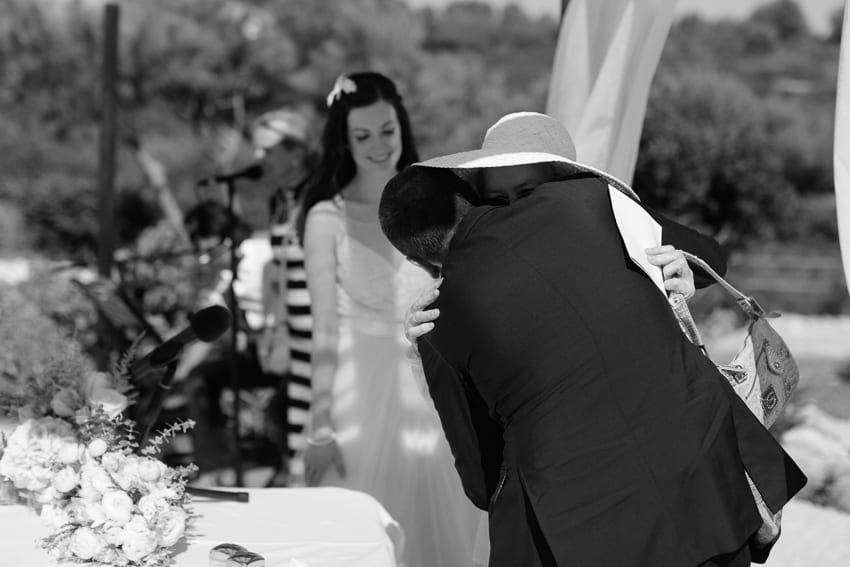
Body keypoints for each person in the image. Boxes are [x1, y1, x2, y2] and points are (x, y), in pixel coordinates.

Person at [378, 112, 806, 567]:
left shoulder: (601, 213)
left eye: (527, 192)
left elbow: (483, 484)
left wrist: (679, 267)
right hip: (706, 490)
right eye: (499, 199)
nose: (517, 208)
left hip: (587, 528)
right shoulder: (595, 204)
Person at [296, 71, 480, 567]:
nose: (378, 146)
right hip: (358, 398)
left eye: (387, 130)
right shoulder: (326, 218)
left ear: (402, 125)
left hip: (435, 384)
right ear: (343, 140)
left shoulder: (438, 200)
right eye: (362, 136)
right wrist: (319, 428)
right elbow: (324, 330)